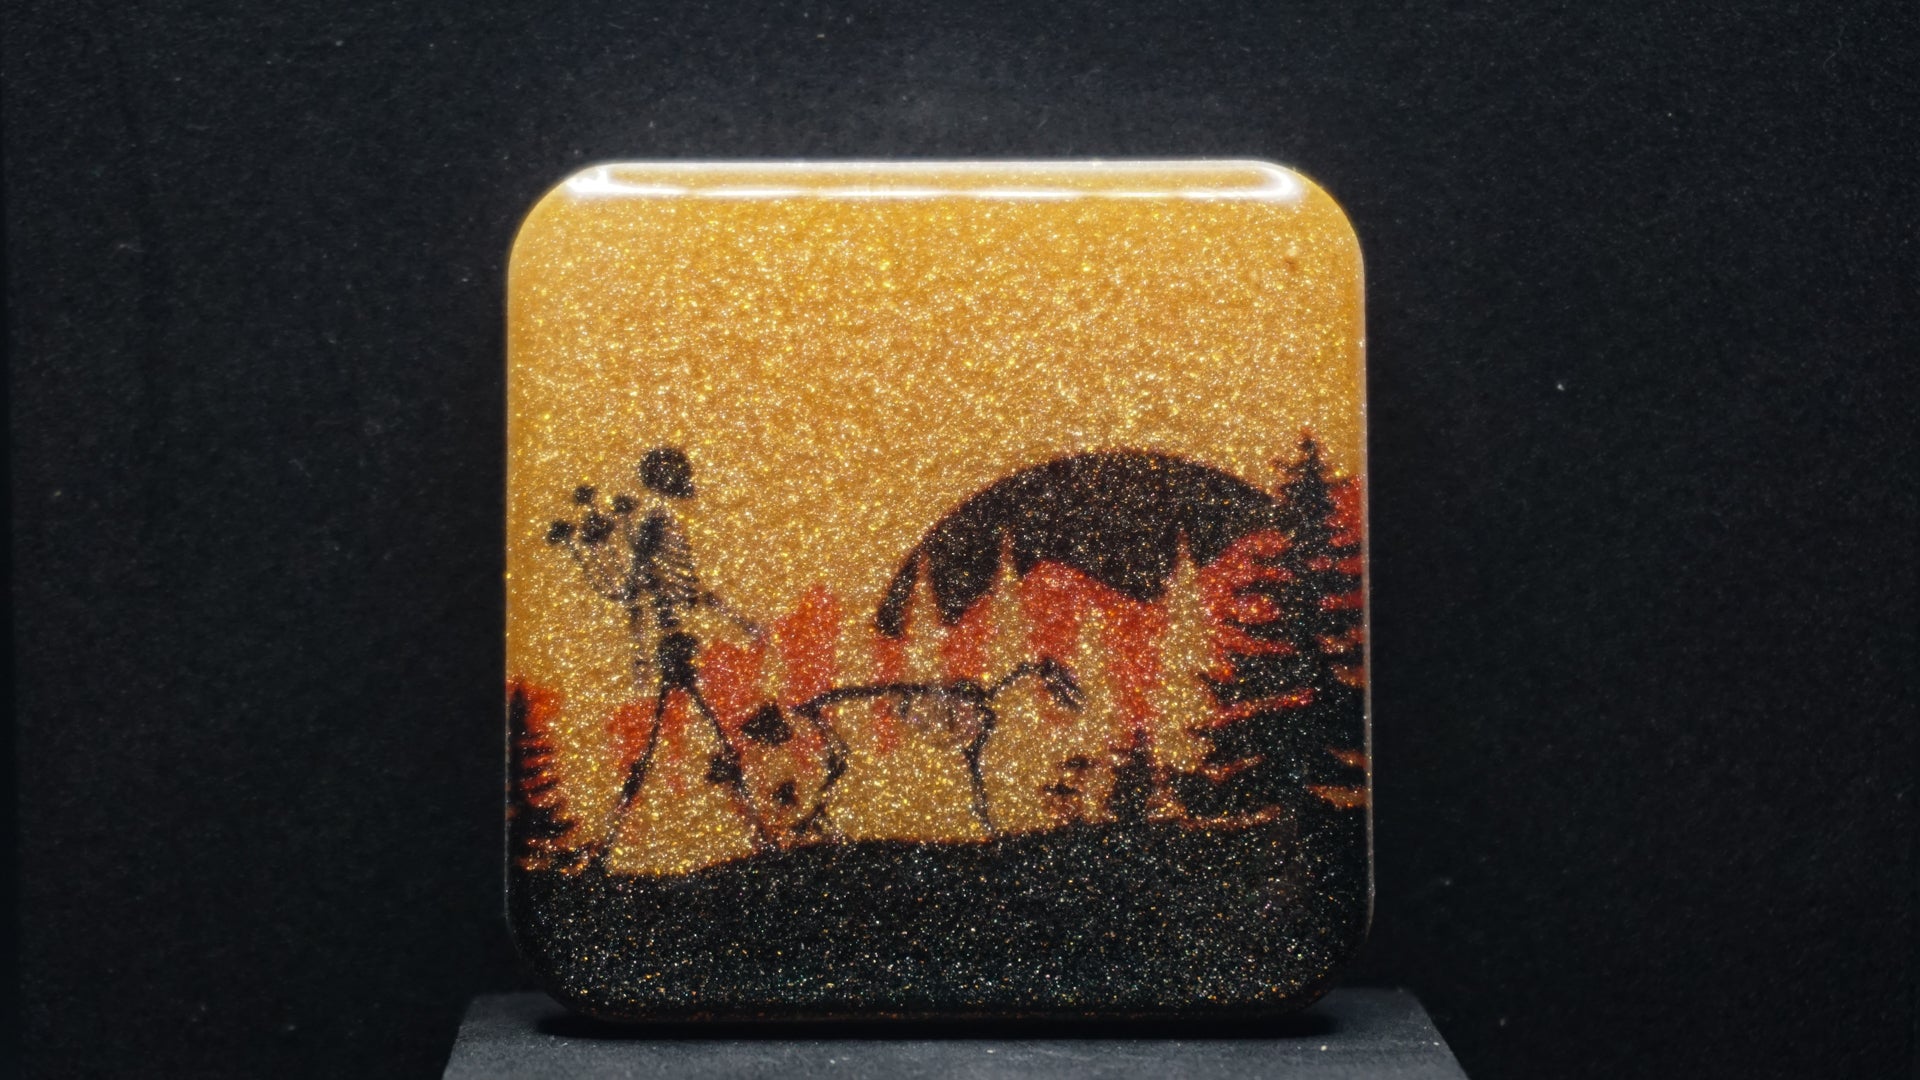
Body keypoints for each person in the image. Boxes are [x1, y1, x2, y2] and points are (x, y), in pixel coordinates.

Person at [548, 447, 773, 858]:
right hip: (672, 650)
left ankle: (756, 830)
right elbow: (637, 591)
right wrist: (640, 657)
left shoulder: (660, 523)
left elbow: (678, 590)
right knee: (674, 740)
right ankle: (613, 841)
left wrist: (742, 624)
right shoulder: (652, 524)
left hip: (677, 647)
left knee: (702, 736)